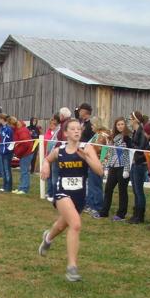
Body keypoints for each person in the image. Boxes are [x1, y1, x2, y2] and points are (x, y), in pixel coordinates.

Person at [38, 118, 103, 282]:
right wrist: (45, 165)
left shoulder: (86, 148)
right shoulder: (59, 150)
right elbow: (47, 159)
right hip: (62, 194)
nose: (76, 131)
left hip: (79, 196)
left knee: (61, 225)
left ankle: (48, 238)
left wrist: (87, 157)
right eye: (72, 129)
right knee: (75, 224)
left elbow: (100, 171)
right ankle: (71, 267)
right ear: (65, 133)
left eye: (78, 129)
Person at [98, 117, 131, 220]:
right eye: (118, 124)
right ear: (115, 126)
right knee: (108, 189)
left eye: (122, 124)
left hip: (123, 167)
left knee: (122, 190)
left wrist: (126, 168)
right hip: (113, 166)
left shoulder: (128, 137)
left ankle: (121, 214)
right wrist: (107, 165)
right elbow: (110, 152)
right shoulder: (112, 137)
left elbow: (128, 154)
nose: (120, 126)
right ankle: (104, 212)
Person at [127, 111, 148, 224]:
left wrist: (134, 151)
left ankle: (140, 215)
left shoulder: (142, 131)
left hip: (140, 163)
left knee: (139, 190)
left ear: (135, 119)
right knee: (135, 190)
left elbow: (142, 147)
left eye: (130, 118)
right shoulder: (135, 132)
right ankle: (136, 214)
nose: (129, 121)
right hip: (134, 162)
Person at [13, 117, 34, 194]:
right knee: (23, 171)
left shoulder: (22, 130)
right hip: (24, 153)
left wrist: (18, 152)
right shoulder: (19, 130)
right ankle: (21, 187)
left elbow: (25, 143)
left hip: (26, 153)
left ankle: (24, 188)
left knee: (24, 171)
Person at [0, 114, 14, 192]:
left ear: (2, 119)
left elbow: (11, 141)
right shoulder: (1, 128)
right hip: (2, 151)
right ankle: (4, 186)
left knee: (7, 169)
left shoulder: (8, 129)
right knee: (3, 169)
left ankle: (8, 187)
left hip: (7, 152)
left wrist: (8, 149)